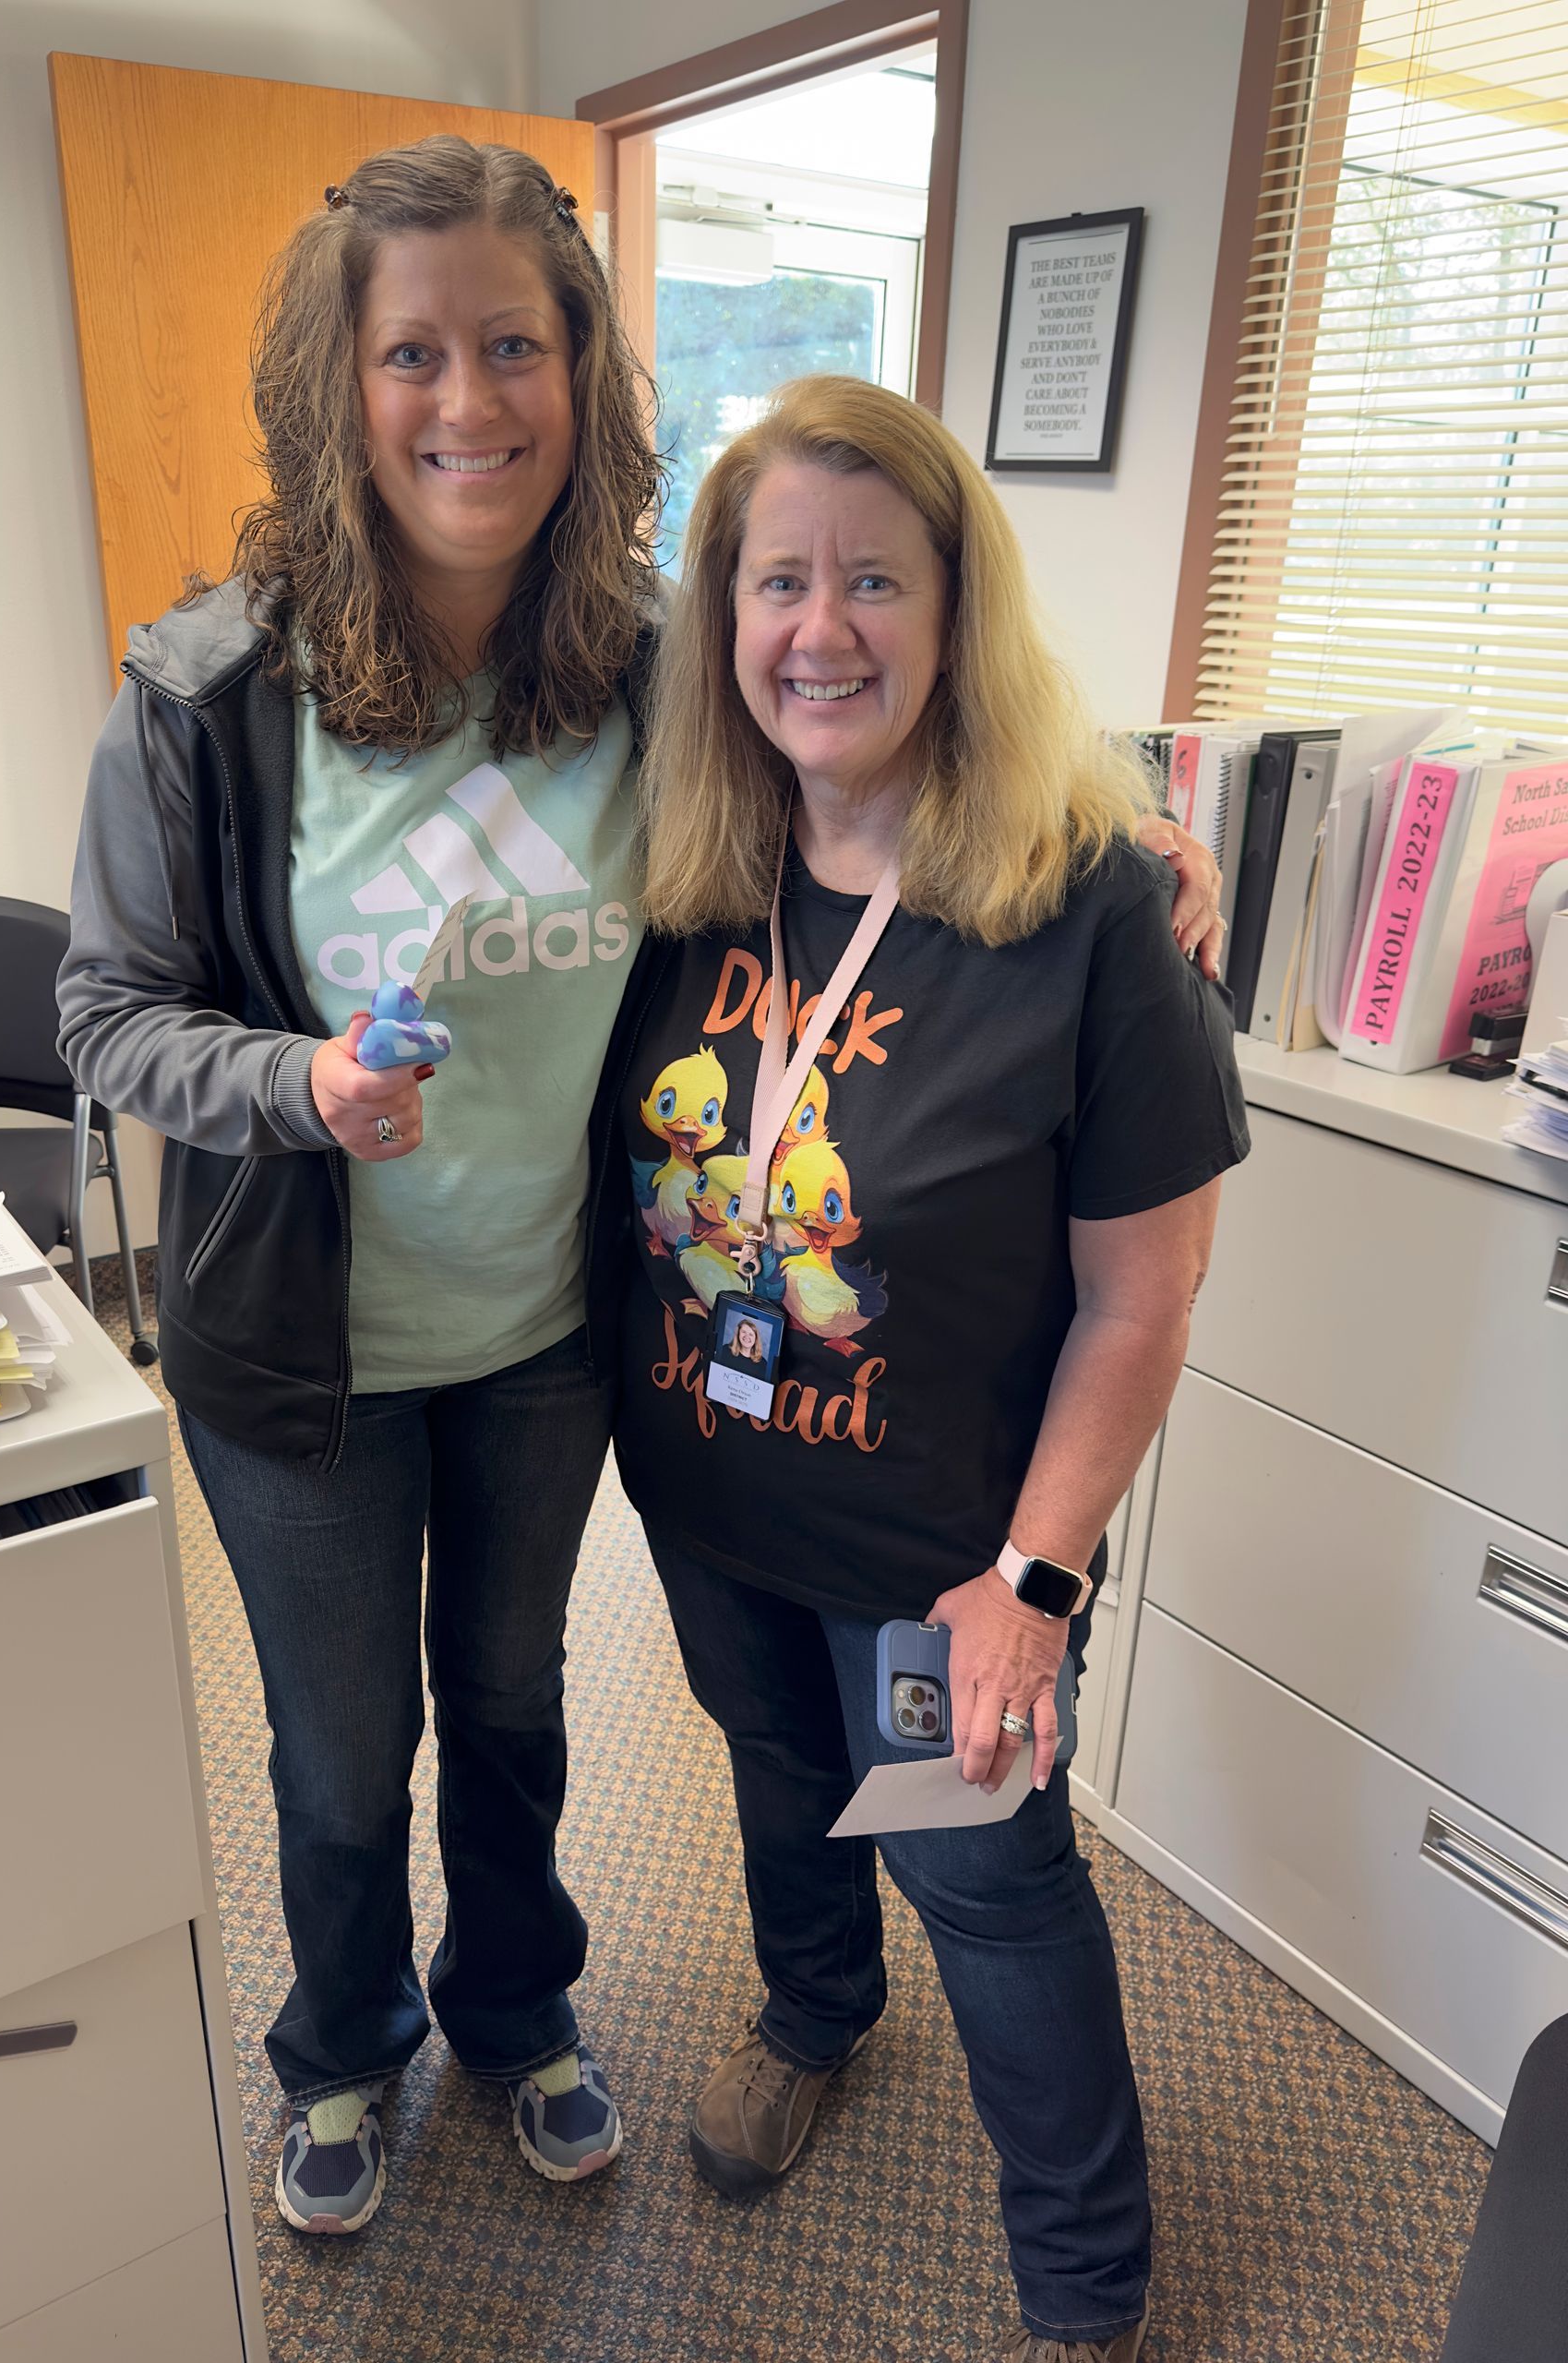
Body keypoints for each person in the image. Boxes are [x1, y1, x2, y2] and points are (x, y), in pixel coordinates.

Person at [58, 136, 1227, 2245]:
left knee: (513, 1713)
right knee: (342, 1761)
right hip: (297, 1356)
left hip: (545, 1338)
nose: (468, 398)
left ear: (584, 377)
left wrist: (1123, 825)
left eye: (516, 345)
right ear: (344, 386)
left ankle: (512, 2015)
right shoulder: (208, 698)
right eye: (414, 352)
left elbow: (878, 637)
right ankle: (339, 2047)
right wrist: (296, 1083)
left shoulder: (640, 666)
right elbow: (102, 1012)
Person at [591, 376, 1250, 2363]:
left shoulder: (1091, 906)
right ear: (721, 621)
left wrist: (1033, 1582)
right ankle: (813, 2006)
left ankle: (1083, 2283)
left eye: (877, 578)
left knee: (986, 1881)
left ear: (959, 612)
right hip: (712, 1499)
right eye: (778, 580)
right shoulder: (685, 866)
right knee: (785, 1780)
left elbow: (1141, 1305)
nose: (822, 627)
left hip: (954, 1548)